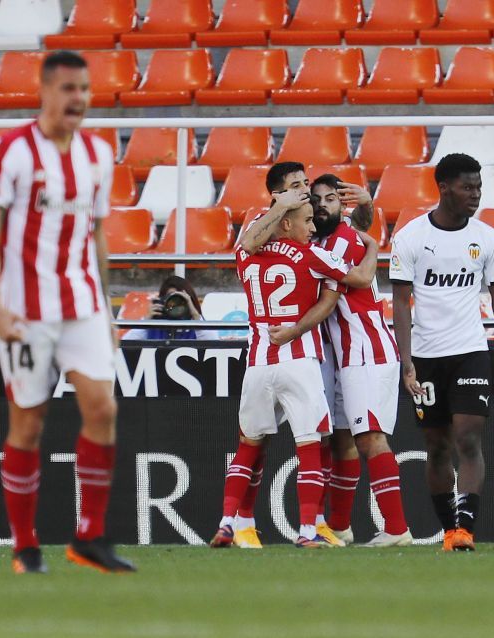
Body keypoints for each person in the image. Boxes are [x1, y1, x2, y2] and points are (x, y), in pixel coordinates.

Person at [0, 51, 135, 574]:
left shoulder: (97, 154)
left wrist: (108, 310)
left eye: (85, 89)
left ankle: (89, 537)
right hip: (26, 310)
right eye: (68, 89)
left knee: (103, 409)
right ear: (44, 91)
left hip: (83, 302)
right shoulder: (9, 152)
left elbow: (98, 234)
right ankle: (25, 546)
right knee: (29, 422)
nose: (79, 99)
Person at [210, 202, 380, 549]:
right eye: (306, 221)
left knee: (247, 448)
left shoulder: (245, 257)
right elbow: (362, 278)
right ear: (286, 223)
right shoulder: (311, 256)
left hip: (258, 363)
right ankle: (306, 531)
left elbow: (247, 242)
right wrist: (374, 247)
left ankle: (227, 522)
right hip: (299, 361)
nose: (313, 228)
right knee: (309, 449)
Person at [389, 153, 494, 552]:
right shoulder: (411, 238)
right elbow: (401, 302)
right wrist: (407, 362)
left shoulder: (487, 239)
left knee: (468, 439)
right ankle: (449, 529)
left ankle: (465, 528)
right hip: (427, 357)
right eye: (467, 187)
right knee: (437, 447)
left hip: (470, 351)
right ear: (444, 187)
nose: (475, 194)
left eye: (479, 187)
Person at [276, 173, 412, 547]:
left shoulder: (340, 243)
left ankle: (397, 530)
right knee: (343, 442)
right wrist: (367, 212)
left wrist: (371, 241)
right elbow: (363, 227)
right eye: (316, 200)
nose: (322, 205)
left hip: (366, 350)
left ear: (342, 206)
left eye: (332, 199)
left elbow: (357, 276)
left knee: (369, 438)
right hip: (344, 356)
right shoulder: (329, 237)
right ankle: (339, 526)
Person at [122, 275, 217, 340]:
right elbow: (125, 345)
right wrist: (146, 321)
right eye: (171, 299)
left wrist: (195, 316)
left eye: (181, 300)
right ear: (162, 300)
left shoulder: (197, 328)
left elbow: (215, 344)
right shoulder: (153, 326)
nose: (175, 304)